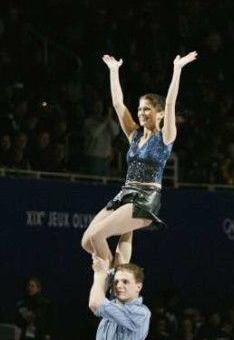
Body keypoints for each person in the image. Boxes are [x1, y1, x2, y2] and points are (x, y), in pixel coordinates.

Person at [81, 51, 197, 268]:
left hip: (145, 197)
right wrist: (114, 72)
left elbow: (171, 103)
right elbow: (118, 105)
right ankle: (115, 271)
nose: (142, 112)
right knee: (87, 241)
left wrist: (177, 69)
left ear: (160, 114)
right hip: (125, 193)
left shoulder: (166, 137)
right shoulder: (134, 135)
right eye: (140, 108)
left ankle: (111, 280)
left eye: (148, 109)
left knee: (98, 237)